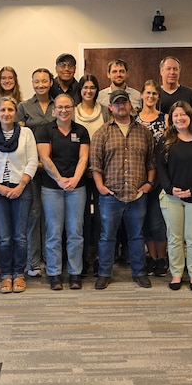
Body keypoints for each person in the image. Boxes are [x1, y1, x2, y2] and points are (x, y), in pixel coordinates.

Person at [90, 89, 156, 289]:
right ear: (110, 107)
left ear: (130, 105)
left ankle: (139, 272)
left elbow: (151, 162)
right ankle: (104, 273)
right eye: (116, 103)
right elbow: (95, 164)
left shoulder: (144, 132)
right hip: (111, 194)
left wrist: (149, 184)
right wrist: (100, 186)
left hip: (137, 194)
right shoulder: (102, 132)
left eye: (124, 102)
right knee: (107, 236)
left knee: (137, 236)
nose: (121, 106)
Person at [0, 97, 38, 294]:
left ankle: (19, 274)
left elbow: (32, 161)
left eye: (10, 110)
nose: (6, 113)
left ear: (16, 113)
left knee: (20, 236)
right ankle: (6, 275)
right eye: (3, 110)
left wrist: (21, 185)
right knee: (4, 236)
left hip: (22, 188)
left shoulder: (26, 133)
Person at [157, 102, 192, 291]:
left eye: (183, 115)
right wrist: (170, 188)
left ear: (191, 117)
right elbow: (161, 169)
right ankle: (176, 274)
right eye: (175, 115)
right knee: (174, 237)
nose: (179, 118)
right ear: (171, 119)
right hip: (172, 196)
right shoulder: (165, 140)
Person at [38, 94, 90, 290]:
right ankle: (54, 273)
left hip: (77, 188)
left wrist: (75, 180)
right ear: (54, 110)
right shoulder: (45, 130)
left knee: (76, 232)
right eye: (60, 107)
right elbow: (44, 158)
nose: (64, 110)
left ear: (73, 109)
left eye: (67, 107)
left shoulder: (81, 131)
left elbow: (83, 159)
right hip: (52, 188)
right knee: (54, 232)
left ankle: (75, 273)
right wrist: (59, 180)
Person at [17, 68, 55, 276]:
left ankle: (50, 259)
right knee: (33, 214)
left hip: (52, 167)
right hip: (30, 168)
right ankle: (32, 261)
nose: (40, 85)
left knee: (50, 215)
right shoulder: (23, 107)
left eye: (44, 81)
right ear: (32, 84)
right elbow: (20, 137)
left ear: (50, 82)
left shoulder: (58, 104)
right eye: (36, 81)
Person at [75, 74, 109, 274]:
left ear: (97, 90)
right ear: (80, 90)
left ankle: (98, 257)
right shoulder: (73, 112)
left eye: (92, 87)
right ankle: (83, 257)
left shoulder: (104, 111)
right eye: (85, 87)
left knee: (101, 217)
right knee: (81, 217)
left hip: (101, 172)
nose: (88, 91)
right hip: (77, 173)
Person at [135, 80, 169, 277]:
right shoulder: (134, 120)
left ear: (158, 97)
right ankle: (151, 257)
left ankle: (161, 258)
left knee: (158, 221)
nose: (150, 96)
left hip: (161, 177)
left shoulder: (165, 119)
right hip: (139, 176)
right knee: (144, 221)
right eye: (147, 93)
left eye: (154, 94)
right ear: (141, 95)